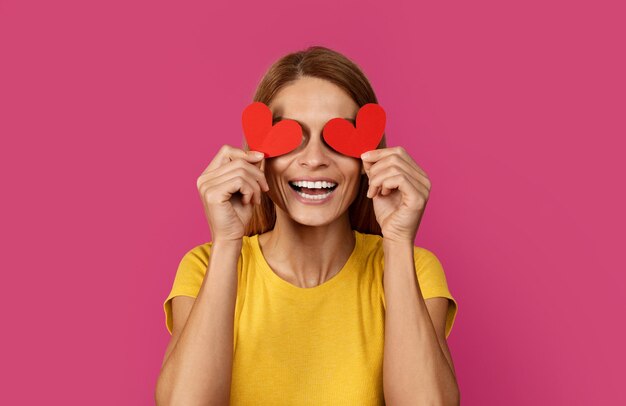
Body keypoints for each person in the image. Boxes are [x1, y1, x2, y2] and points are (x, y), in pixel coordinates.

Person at [155, 46, 459, 405]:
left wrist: (397, 239)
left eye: (338, 138)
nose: (314, 159)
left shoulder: (415, 268)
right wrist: (226, 242)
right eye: (291, 137)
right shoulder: (205, 267)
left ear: (368, 158)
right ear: (259, 155)